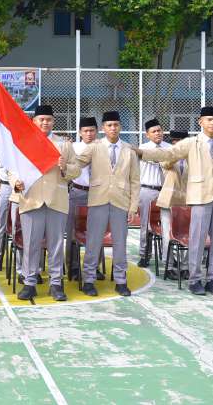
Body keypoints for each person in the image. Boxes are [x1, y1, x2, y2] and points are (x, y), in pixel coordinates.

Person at [138, 106, 213, 296]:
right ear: (200, 122)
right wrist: (142, 153)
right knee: (197, 239)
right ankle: (194, 280)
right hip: (200, 195)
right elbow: (169, 154)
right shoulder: (192, 143)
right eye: (208, 120)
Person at [11, 105, 80, 302]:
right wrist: (15, 181)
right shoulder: (23, 142)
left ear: (53, 121)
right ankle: (30, 282)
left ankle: (56, 283)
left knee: (56, 244)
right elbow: (12, 168)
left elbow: (76, 170)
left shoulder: (63, 144)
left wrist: (65, 167)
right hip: (31, 198)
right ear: (34, 121)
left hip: (56, 199)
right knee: (31, 244)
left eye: (48, 119)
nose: (45, 122)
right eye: (41, 119)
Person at [74, 110, 140, 297]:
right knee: (93, 241)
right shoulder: (94, 147)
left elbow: (135, 181)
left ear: (120, 127)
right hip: (98, 200)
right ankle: (89, 280)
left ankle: (120, 280)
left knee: (120, 242)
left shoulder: (129, 150)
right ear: (103, 128)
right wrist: (63, 163)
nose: (113, 128)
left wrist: (133, 206)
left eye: (116, 125)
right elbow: (78, 163)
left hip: (121, 202)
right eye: (109, 125)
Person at [65, 117, 98, 280]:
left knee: (96, 231)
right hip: (77, 192)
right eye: (85, 131)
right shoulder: (73, 148)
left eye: (92, 130)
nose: (89, 134)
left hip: (97, 194)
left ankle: (94, 267)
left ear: (97, 132)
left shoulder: (103, 148)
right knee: (72, 231)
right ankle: (73, 267)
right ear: (80, 132)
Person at [137, 118, 170, 268]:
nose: (157, 133)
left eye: (159, 130)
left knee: (167, 225)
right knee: (145, 224)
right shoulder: (142, 148)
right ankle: (144, 254)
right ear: (147, 134)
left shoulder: (169, 148)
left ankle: (167, 257)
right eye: (154, 131)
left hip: (165, 191)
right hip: (147, 190)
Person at [156, 130, 189, 280]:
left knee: (189, 235)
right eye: (175, 142)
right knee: (167, 235)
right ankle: (168, 266)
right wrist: (176, 154)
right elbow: (166, 164)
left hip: (187, 202)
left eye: (181, 142)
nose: (178, 144)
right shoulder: (167, 155)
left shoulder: (192, 158)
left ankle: (184, 267)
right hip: (169, 202)